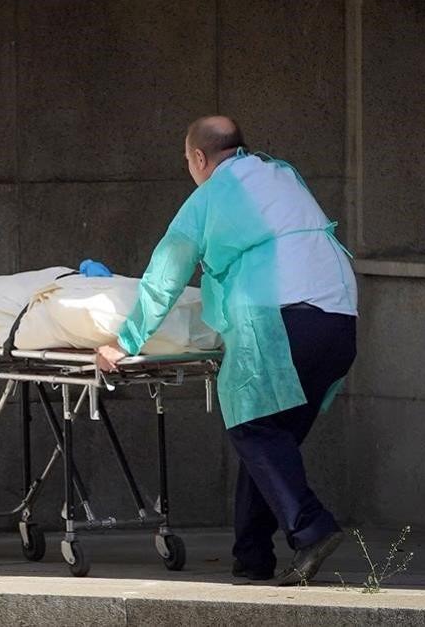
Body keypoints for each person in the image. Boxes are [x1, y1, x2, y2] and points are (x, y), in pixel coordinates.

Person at [96, 116, 358, 586]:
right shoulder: (281, 174)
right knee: (270, 439)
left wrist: (126, 341)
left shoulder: (209, 196)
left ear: (199, 158)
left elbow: (167, 272)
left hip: (279, 316)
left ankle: (312, 529)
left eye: (187, 161)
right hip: (339, 318)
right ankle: (252, 555)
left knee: (254, 428)